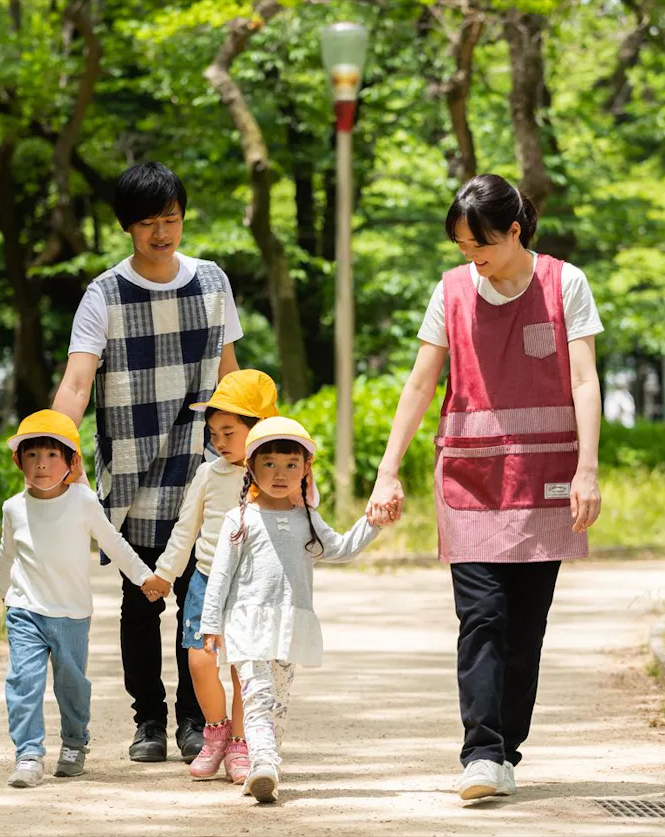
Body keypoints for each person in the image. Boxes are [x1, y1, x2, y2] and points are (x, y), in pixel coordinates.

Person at [365, 174, 604, 801]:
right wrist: (388, 469)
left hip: (547, 480)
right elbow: (420, 385)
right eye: (463, 247)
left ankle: (507, 751)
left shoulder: (565, 283)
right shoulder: (449, 293)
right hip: (470, 482)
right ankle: (481, 753)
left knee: (525, 630)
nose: (471, 258)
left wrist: (588, 469)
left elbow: (584, 382)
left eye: (481, 245)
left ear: (515, 231)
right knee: (482, 618)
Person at [52, 161, 243, 762]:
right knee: (141, 603)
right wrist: (61, 447)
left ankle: (193, 722)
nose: (162, 232)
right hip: (131, 473)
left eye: (171, 219)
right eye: (148, 223)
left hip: (202, 469)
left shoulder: (212, 281)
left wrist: (254, 454)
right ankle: (148, 722)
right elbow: (78, 381)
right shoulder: (103, 295)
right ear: (127, 227)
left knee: (200, 600)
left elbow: (229, 376)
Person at [200, 417, 383, 803]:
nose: (280, 474)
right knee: (257, 696)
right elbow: (219, 577)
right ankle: (262, 763)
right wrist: (211, 624)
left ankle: (267, 761)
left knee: (278, 704)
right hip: (247, 624)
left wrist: (374, 522)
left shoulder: (307, 521)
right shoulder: (240, 519)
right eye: (269, 464)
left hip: (288, 625)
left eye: (290, 465)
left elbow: (342, 549)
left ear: (305, 469)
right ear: (250, 468)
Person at [0, 410, 161, 788]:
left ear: (72, 462)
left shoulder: (83, 502)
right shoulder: (13, 507)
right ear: (18, 460)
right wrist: (3, 590)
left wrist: (143, 578)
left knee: (71, 684)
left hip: (71, 614)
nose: (41, 465)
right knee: (23, 681)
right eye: (32, 455)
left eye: (52, 455)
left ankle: (73, 743)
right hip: (25, 610)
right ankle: (29, 753)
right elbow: (7, 552)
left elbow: (113, 543)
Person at [152, 369, 280, 784]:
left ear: (259, 427)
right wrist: (165, 574)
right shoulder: (209, 474)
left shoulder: (275, 476)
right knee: (200, 660)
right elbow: (185, 529)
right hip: (206, 581)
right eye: (214, 433)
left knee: (244, 669)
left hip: (253, 589)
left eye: (228, 432)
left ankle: (241, 742)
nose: (218, 442)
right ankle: (216, 732)